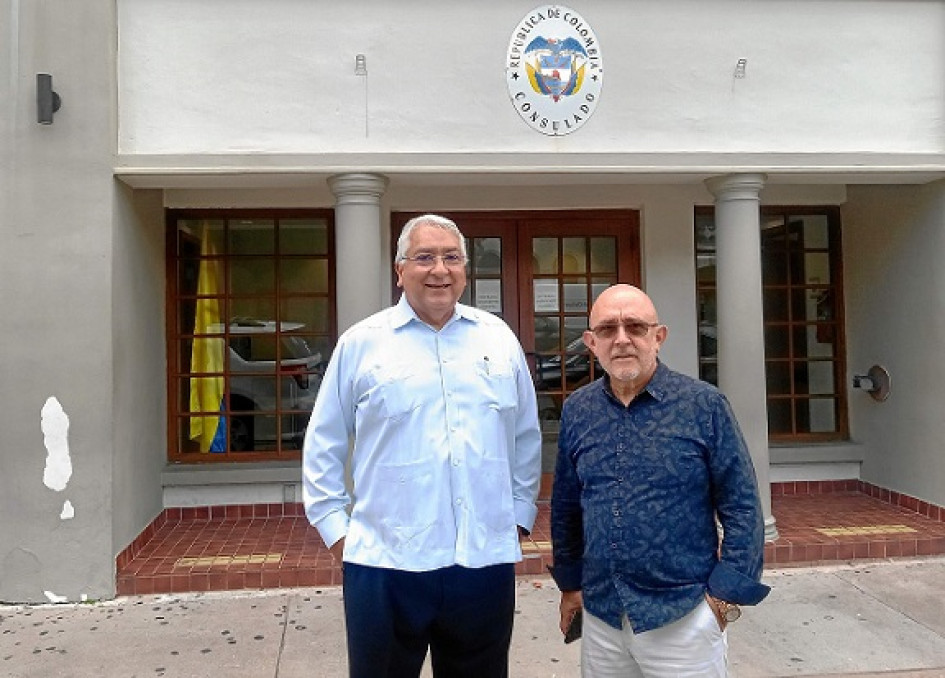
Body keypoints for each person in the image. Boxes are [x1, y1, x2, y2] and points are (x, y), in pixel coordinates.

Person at [302, 214, 542, 678]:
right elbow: (324, 441)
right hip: (385, 561)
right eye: (425, 257)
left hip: (482, 559)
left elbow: (525, 435)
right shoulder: (362, 344)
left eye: (451, 257)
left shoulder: (498, 339)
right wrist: (338, 532)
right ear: (400, 270)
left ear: (465, 271)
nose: (440, 269)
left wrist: (517, 516)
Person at [550, 284, 770, 677]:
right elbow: (566, 504)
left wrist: (722, 597)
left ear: (659, 336)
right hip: (603, 616)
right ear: (591, 343)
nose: (621, 340)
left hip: (682, 617)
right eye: (607, 330)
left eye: (635, 327)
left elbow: (742, 505)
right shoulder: (578, 410)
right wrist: (570, 585)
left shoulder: (703, 405)